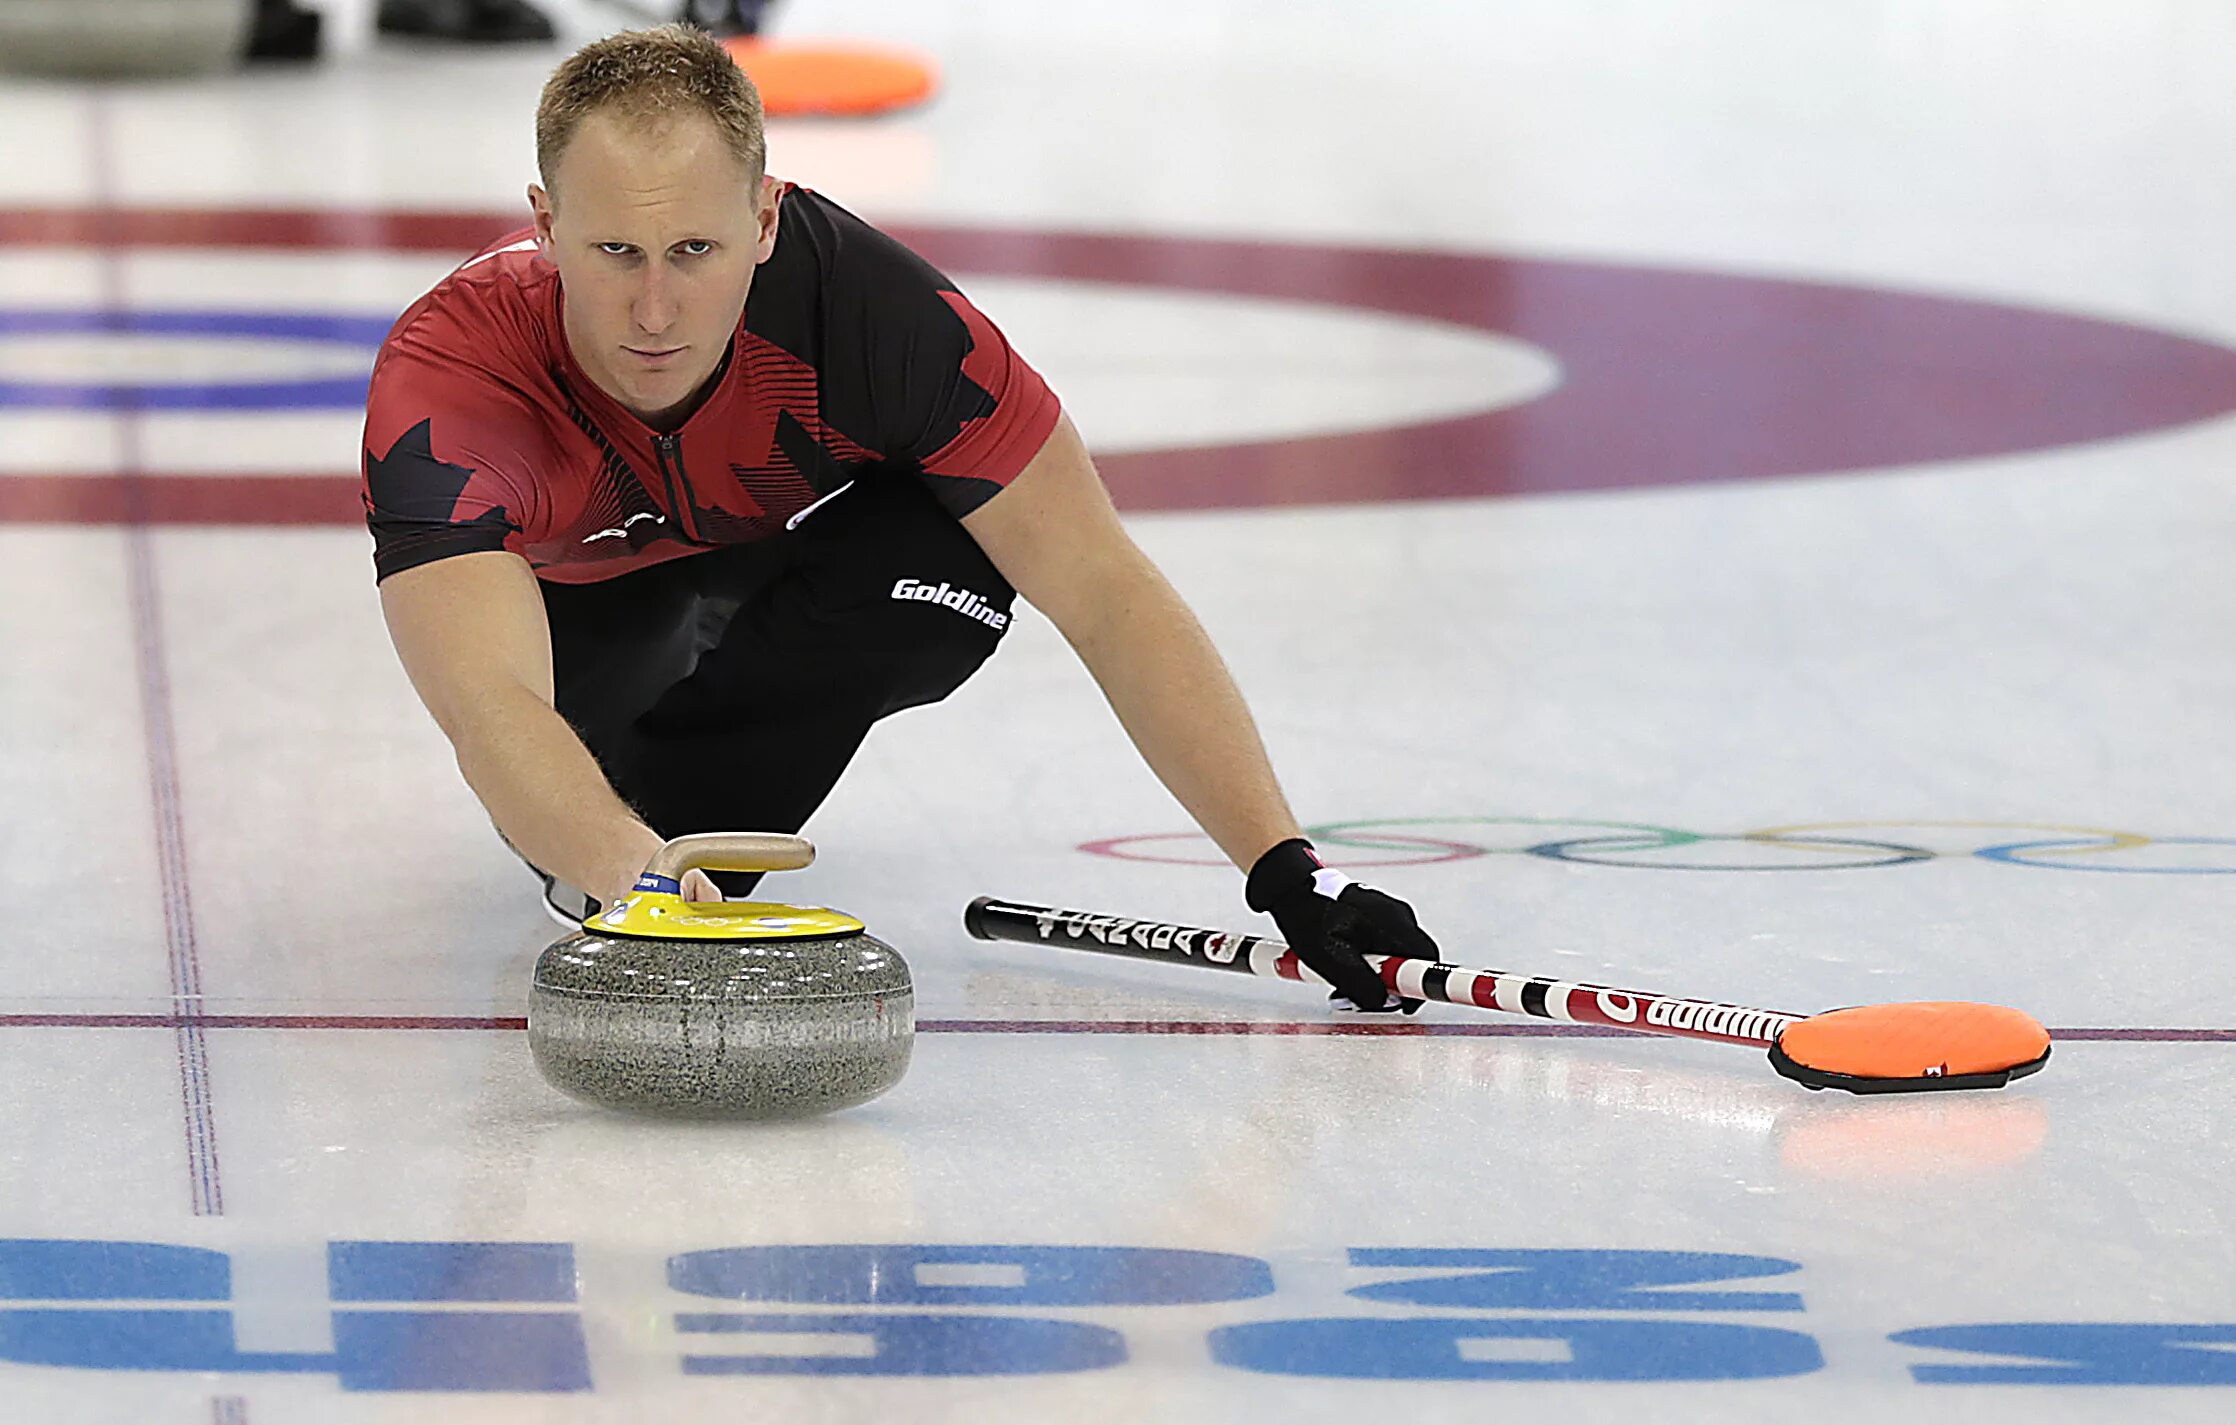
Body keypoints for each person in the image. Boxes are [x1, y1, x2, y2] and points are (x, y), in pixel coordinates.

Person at [361, 25, 1441, 1012]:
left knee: (947, 562)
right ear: (546, 226)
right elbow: (490, 704)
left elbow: (1103, 590)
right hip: (581, 618)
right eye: (615, 254)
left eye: (695, 251)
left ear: (766, 218)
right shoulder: (452, 381)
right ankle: (651, 839)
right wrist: (628, 877)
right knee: (577, 814)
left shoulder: (879, 321)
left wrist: (1288, 868)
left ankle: (689, 820)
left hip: (759, 558)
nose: (654, 311)